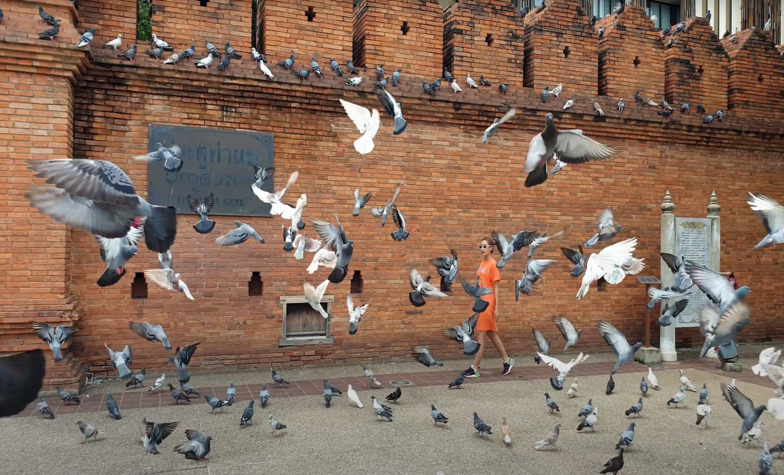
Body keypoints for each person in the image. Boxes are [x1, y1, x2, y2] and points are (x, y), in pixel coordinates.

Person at [462, 237, 514, 377]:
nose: (482, 249)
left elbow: (496, 287)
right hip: (481, 301)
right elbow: (480, 283)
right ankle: (507, 360)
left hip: (489, 302)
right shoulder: (482, 263)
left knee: (481, 334)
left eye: (484, 246)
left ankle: (475, 368)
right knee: (490, 333)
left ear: (491, 248)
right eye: (480, 246)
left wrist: (497, 307)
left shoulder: (493, 264)